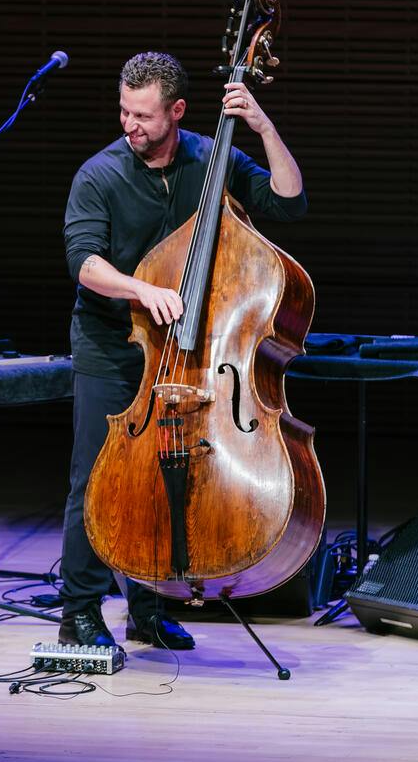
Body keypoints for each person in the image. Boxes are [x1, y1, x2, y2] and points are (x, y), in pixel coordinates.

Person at [59, 52, 309, 649]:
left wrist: (263, 126)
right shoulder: (99, 175)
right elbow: (84, 263)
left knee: (173, 469)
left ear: (176, 111)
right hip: (115, 344)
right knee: (97, 477)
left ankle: (148, 607)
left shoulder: (210, 156)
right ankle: (80, 611)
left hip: (195, 346)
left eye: (143, 115)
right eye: (123, 111)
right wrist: (143, 289)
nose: (129, 125)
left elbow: (288, 202)